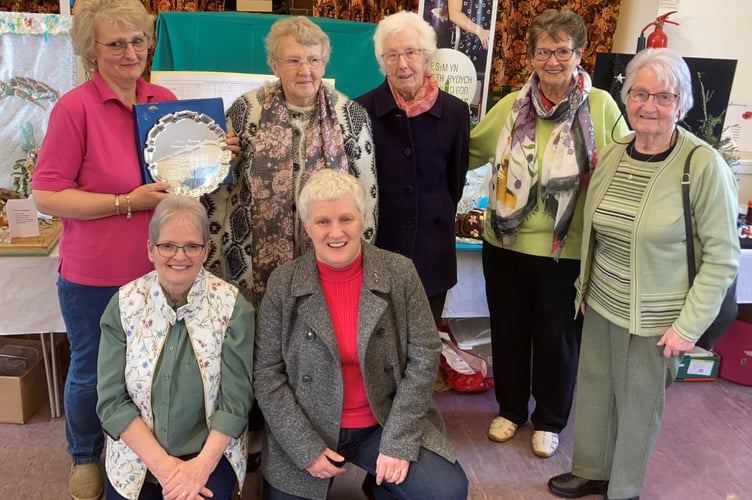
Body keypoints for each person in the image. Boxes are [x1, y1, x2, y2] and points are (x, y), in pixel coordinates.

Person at [548, 48, 740, 500]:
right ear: (626, 96)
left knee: (638, 404)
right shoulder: (614, 153)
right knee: (594, 389)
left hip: (659, 317)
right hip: (601, 300)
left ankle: (624, 487)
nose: (649, 106)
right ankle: (592, 469)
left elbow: (723, 257)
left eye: (663, 96)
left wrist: (687, 326)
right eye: (639, 93)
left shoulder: (702, 165)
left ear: (681, 104)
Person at [30, 1, 177, 498]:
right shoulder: (74, 108)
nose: (131, 52)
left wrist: (213, 154)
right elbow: (47, 193)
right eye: (116, 43)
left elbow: (177, 178)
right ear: (91, 52)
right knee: (93, 371)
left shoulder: (163, 97)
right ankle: (84, 455)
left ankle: (144, 452)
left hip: (161, 269)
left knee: (155, 370)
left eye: (138, 40)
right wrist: (123, 203)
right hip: (95, 274)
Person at [468, 8, 628, 459]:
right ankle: (511, 410)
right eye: (544, 50)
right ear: (531, 56)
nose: (553, 60)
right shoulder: (510, 106)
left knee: (558, 338)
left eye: (563, 50)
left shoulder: (600, 108)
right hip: (505, 246)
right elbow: (467, 151)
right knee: (509, 330)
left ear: (579, 54)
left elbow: (622, 165)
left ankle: (551, 419)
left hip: (568, 250)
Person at [254, 169, 468, 500]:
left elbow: (425, 354)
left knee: (445, 492)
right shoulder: (284, 284)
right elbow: (267, 375)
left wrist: (398, 441)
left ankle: (380, 484)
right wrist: (303, 446)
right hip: (310, 426)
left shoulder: (399, 272)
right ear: (307, 227)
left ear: (363, 219)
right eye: (323, 221)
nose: (336, 232)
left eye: (346, 219)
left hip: (383, 422)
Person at [203, 15, 378, 310]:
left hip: (329, 258)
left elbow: (367, 197)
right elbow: (219, 191)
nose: (305, 70)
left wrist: (363, 260)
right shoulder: (246, 111)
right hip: (248, 265)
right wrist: (212, 260)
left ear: (324, 63)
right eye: (293, 60)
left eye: (313, 60)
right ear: (274, 64)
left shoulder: (351, 116)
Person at [96, 196, 254, 500]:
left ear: (207, 250)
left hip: (209, 457)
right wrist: (166, 469)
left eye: (192, 246)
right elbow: (111, 401)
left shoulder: (233, 307)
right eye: (167, 245)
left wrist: (199, 469)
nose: (179, 256)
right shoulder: (124, 304)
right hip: (136, 457)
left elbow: (235, 403)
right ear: (150, 249)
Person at [355, 11, 469, 326]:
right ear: (381, 61)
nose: (402, 64)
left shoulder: (455, 113)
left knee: (423, 352)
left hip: (433, 257)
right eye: (391, 55)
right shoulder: (360, 111)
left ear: (426, 56)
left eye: (410, 52)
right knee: (378, 354)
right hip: (377, 256)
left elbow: (455, 183)